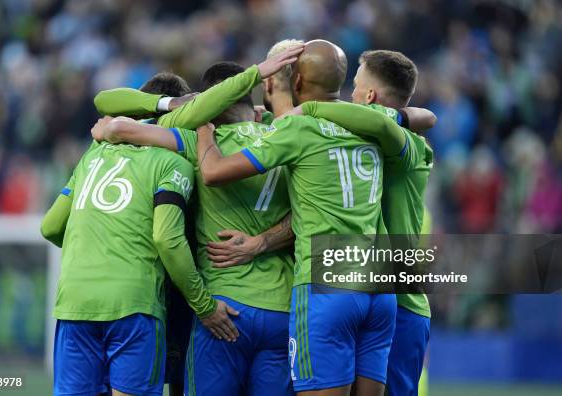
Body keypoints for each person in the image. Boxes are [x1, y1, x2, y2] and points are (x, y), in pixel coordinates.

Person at [194, 40, 406, 396]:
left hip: (327, 280)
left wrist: (202, 125)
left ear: (296, 83)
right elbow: (421, 117)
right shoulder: (374, 120)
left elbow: (213, 171)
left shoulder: (298, 129)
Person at [91, 47, 303, 396]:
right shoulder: (292, 139)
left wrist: (112, 129)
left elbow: (122, 127)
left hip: (225, 307)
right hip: (282, 308)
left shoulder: (199, 141)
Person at [41, 137, 237, 396]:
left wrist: (95, 247)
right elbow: (167, 239)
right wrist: (204, 305)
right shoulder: (172, 162)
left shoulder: (93, 156)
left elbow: (50, 227)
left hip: (74, 302)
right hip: (134, 302)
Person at [297, 50, 434, 396]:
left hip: (400, 303)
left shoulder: (410, 148)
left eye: (355, 87)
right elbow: (422, 116)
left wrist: (309, 107)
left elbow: (417, 118)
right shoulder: (368, 140)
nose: (348, 95)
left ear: (370, 97)